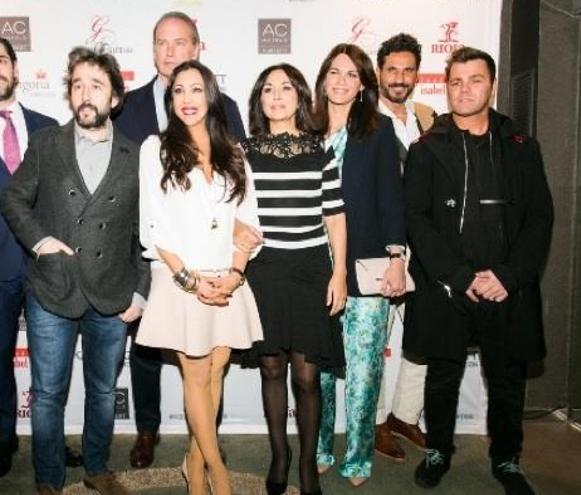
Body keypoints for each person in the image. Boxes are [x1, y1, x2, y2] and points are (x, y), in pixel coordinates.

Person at [0, 47, 149, 495]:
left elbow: (146, 231)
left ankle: (98, 468)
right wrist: (41, 241)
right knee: (47, 394)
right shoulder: (47, 144)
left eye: (97, 86)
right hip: (52, 290)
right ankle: (49, 479)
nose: (86, 94)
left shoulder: (137, 155)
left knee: (103, 392)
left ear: (115, 99)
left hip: (112, 292)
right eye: (78, 84)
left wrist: (141, 291)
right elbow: (12, 198)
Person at [404, 47, 553, 495]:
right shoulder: (427, 148)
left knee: (507, 377)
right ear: (445, 87)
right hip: (450, 285)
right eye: (456, 81)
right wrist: (458, 275)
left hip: (507, 285)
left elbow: (539, 219)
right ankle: (439, 450)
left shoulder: (522, 147)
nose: (465, 89)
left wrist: (508, 276)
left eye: (475, 80)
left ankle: (507, 459)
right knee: (443, 372)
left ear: (492, 84)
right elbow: (416, 218)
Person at [113, 11, 247, 469]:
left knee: (213, 359)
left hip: (210, 257)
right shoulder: (125, 107)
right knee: (147, 351)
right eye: (161, 44)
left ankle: (205, 441)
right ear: (153, 50)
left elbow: (238, 188)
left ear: (197, 49)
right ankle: (147, 430)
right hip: (144, 250)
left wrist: (234, 262)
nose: (169, 52)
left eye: (179, 43)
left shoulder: (225, 107)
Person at [136, 59, 263, 495]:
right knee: (194, 374)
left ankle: (195, 463)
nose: (187, 99)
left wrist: (234, 274)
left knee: (215, 373)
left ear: (211, 95)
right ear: (170, 100)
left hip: (226, 279)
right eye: (178, 91)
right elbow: (154, 227)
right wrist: (190, 281)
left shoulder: (234, 153)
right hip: (181, 280)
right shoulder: (156, 149)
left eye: (195, 89)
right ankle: (217, 477)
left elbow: (247, 223)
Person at [0, 31, 84, 478]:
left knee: (51, 364)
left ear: (15, 67)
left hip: (48, 267)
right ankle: (7, 439)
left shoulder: (49, 128)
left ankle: (50, 439)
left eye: (2, 59)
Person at [242, 63, 347, 495]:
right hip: (263, 270)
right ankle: (279, 455)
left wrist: (339, 271)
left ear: (300, 97)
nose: (278, 96)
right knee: (270, 368)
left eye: (286, 88)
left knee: (306, 376)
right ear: (260, 100)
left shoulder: (321, 150)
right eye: (269, 89)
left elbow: (335, 216)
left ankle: (306, 461)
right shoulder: (241, 152)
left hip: (309, 269)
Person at [312, 43, 404, 487]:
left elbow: (391, 196)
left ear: (364, 83)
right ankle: (320, 444)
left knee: (364, 369)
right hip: (313, 268)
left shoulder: (379, 129)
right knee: (321, 369)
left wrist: (396, 257)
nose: (342, 81)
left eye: (352, 74)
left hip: (366, 267)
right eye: (335, 72)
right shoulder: (304, 129)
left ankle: (359, 453)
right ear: (324, 78)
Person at [372, 33, 437, 462]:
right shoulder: (362, 118)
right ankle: (374, 421)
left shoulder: (430, 117)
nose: (399, 77)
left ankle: (405, 414)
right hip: (380, 245)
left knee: (424, 336)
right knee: (377, 337)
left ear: (417, 73)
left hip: (428, 245)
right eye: (391, 69)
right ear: (379, 72)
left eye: (407, 69)